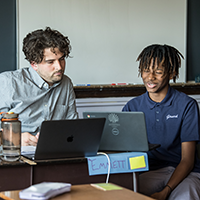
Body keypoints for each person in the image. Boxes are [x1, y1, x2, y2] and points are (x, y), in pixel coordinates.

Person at [122, 44, 200, 200]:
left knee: (186, 196)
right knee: (127, 194)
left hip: (185, 172)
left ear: (171, 73)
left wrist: (166, 191)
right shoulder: (132, 107)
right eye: (146, 71)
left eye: (158, 72)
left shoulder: (187, 105)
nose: (151, 77)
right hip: (149, 172)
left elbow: (187, 160)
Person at [0, 27, 78, 146]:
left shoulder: (66, 83)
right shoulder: (8, 82)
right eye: (50, 62)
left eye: (61, 59)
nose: (59, 67)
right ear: (34, 64)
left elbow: (73, 126)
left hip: (53, 151)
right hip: (15, 154)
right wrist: (16, 138)